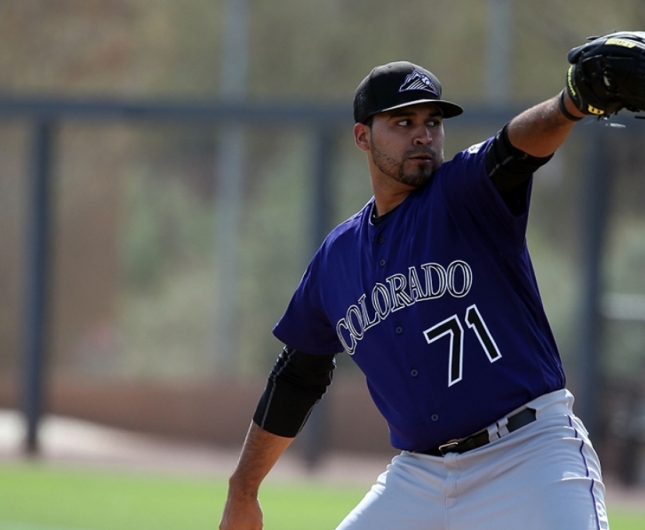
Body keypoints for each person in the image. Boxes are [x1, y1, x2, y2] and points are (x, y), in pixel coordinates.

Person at [220, 59, 609, 530]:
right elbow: (297, 377)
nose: (423, 135)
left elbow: (515, 150)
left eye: (433, 122)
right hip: (420, 477)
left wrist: (570, 104)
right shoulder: (337, 257)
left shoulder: (464, 193)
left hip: (528, 456)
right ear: (363, 137)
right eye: (403, 122)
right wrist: (243, 488)